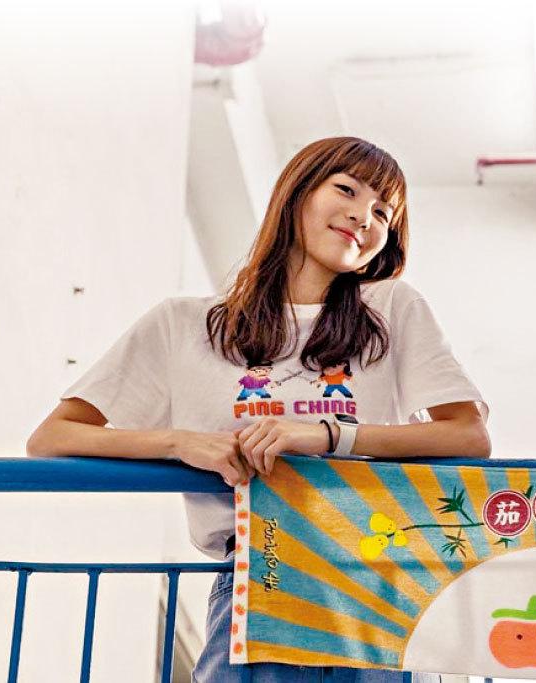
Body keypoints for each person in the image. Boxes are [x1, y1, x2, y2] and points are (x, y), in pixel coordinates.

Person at [27, 137, 490, 682]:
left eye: (383, 213)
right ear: (297, 192)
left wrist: (325, 434)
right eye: (346, 190)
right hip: (255, 574)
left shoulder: (390, 308)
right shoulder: (184, 325)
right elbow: (53, 437)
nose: (364, 217)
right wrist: (180, 442)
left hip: (376, 578)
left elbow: (467, 435)